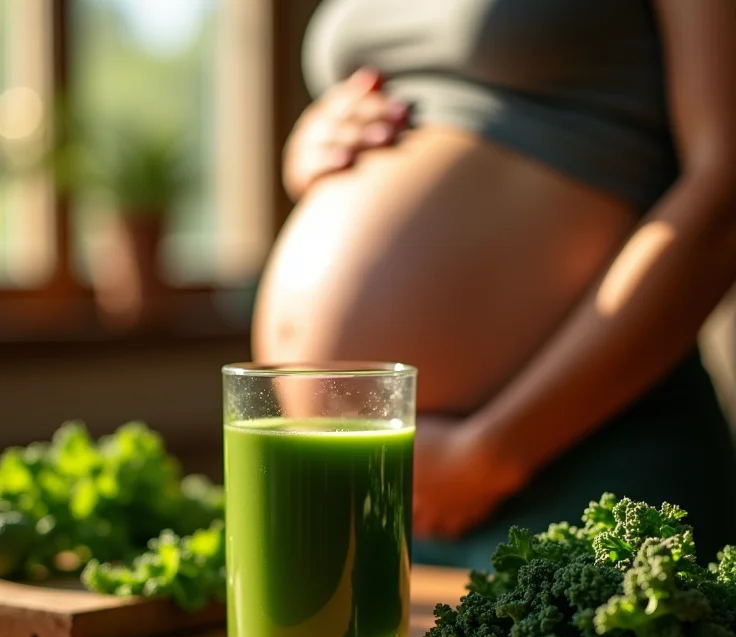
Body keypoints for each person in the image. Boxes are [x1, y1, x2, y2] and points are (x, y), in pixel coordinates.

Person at [252, 0, 736, 568]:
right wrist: (315, 146)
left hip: (581, 457)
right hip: (374, 486)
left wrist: (493, 451)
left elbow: (724, 189)